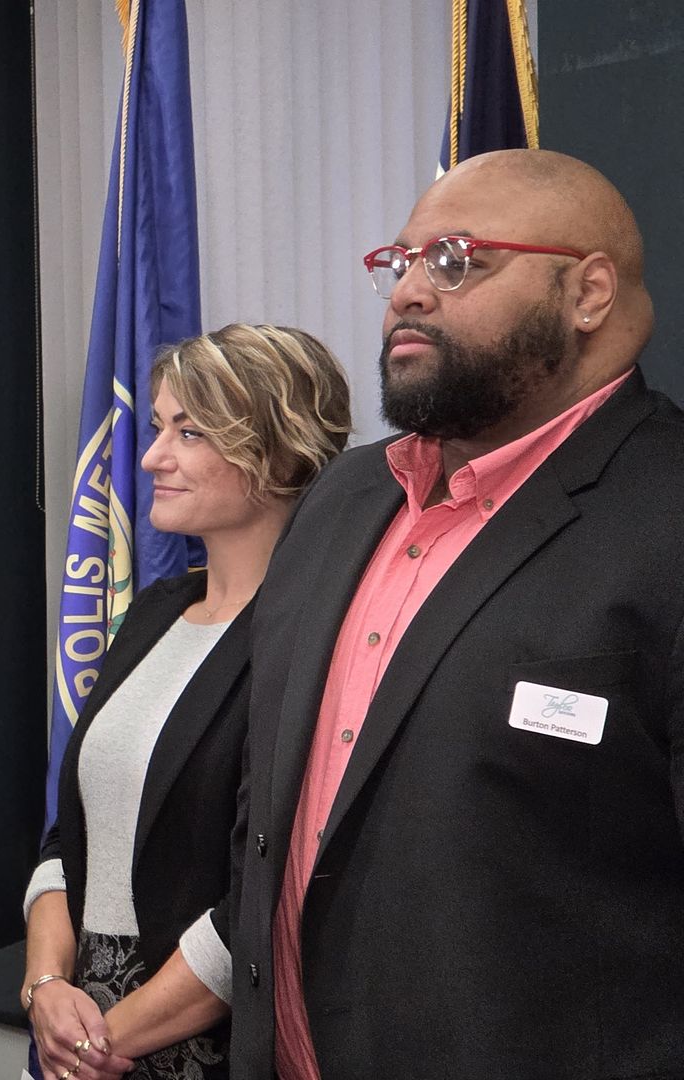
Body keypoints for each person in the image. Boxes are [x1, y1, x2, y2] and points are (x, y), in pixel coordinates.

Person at [230, 149, 684, 1078]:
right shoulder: (342, 501)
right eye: (398, 264)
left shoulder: (667, 512)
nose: (408, 292)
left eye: (457, 260)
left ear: (588, 293)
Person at [26, 325, 351, 1080]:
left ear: (278, 450)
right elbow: (66, 835)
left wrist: (100, 1040)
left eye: (189, 431)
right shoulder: (152, 613)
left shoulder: (313, 639)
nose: (150, 458)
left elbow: (266, 897)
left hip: (196, 1052)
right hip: (81, 1036)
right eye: (158, 428)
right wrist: (46, 987)